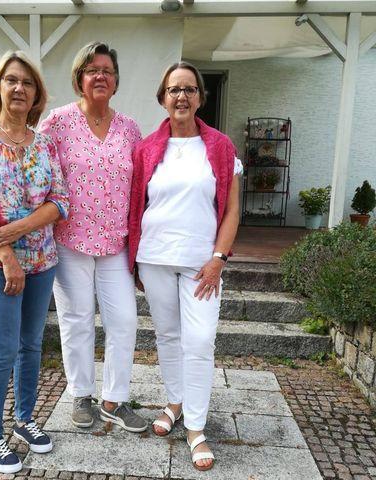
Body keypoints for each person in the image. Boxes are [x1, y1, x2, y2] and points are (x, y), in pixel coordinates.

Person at [0, 50, 69, 474]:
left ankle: (24, 419)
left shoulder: (45, 144)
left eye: (27, 82)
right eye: (11, 80)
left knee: (31, 345)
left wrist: (19, 229)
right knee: (2, 348)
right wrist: (6, 254)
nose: (19, 88)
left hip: (42, 259)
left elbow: (61, 200)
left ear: (36, 94)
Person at [128, 62, 242, 471]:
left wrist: (218, 259)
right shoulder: (145, 148)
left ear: (200, 98)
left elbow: (232, 210)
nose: (181, 96)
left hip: (201, 265)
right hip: (155, 258)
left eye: (189, 89)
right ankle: (175, 402)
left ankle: (195, 427)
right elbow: (136, 205)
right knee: (168, 336)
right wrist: (133, 261)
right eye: (174, 89)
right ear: (163, 97)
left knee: (200, 340)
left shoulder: (221, 147)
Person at [39, 42, 147, 433]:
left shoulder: (130, 128)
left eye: (107, 70)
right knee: (77, 320)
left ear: (115, 81)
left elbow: (141, 186)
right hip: (70, 240)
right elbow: (39, 174)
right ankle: (81, 394)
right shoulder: (57, 122)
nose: (100, 76)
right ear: (79, 78)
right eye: (92, 70)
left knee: (125, 321)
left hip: (116, 243)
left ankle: (114, 400)